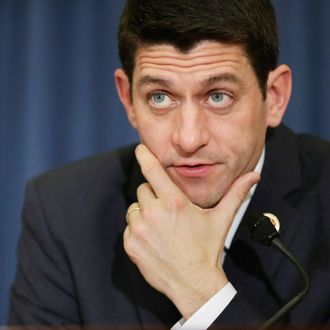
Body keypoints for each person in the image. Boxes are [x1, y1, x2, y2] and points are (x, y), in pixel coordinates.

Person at [8, 0, 330, 328]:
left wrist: (202, 294)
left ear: (274, 96)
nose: (189, 140)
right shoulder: (63, 210)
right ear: (127, 98)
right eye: (160, 97)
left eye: (219, 96)